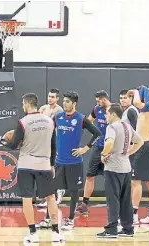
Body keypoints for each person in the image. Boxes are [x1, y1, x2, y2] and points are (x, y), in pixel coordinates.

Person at [1, 93, 65, 243]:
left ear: (27, 105)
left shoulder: (23, 122)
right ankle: (56, 233)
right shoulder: (50, 121)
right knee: (51, 198)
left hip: (26, 165)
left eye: (23, 104)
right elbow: (53, 145)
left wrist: (3, 139)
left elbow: (13, 144)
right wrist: (52, 165)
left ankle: (33, 234)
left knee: (27, 199)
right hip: (44, 165)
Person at [37, 91, 102, 231]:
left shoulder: (81, 119)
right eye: (64, 101)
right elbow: (48, 131)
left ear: (74, 103)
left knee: (73, 191)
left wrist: (85, 148)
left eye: (67, 101)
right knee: (52, 191)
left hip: (74, 163)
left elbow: (97, 133)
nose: (65, 104)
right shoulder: (57, 117)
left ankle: (71, 220)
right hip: (59, 162)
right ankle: (49, 219)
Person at [97, 103, 144, 238]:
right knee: (125, 200)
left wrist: (103, 154)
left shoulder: (112, 127)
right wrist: (128, 153)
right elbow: (139, 141)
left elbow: (109, 142)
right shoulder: (127, 126)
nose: (105, 116)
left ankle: (111, 229)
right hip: (126, 167)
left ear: (112, 114)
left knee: (113, 199)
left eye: (107, 113)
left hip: (113, 168)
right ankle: (128, 229)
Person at [127, 85, 149, 224]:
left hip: (144, 146)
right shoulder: (145, 110)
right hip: (146, 145)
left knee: (136, 181)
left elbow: (135, 102)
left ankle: (133, 214)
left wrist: (133, 91)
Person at [76, 90, 111, 215]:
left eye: (99, 101)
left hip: (110, 149)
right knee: (90, 176)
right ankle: (84, 204)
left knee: (111, 178)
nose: (97, 103)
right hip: (98, 147)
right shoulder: (97, 109)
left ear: (105, 99)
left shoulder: (114, 111)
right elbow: (89, 121)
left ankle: (113, 204)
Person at [36, 88, 65, 208]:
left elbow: (57, 127)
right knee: (44, 170)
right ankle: (45, 195)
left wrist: (58, 147)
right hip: (43, 142)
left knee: (54, 169)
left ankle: (58, 191)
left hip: (54, 141)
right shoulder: (43, 108)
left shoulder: (59, 110)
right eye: (49, 96)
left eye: (53, 97)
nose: (50, 98)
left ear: (57, 98)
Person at [119, 89, 139, 174]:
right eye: (121, 98)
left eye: (125, 98)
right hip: (126, 147)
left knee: (132, 177)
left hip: (131, 148)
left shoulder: (131, 111)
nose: (122, 100)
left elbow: (135, 129)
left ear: (131, 98)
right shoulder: (125, 111)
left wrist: (131, 146)